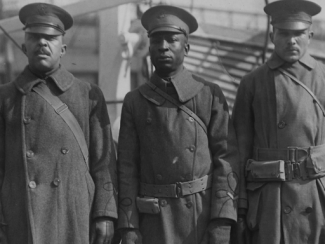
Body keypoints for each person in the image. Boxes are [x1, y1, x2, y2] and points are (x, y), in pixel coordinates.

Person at [117, 5, 239, 244]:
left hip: (200, 219)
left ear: (187, 47)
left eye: (172, 40)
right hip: (154, 222)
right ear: (149, 47)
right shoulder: (135, 101)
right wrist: (129, 225)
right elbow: (126, 169)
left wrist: (221, 221)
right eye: (156, 40)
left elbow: (227, 159)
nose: (163, 47)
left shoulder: (208, 94)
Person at [0, 3, 117, 244]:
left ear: (62, 48)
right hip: (19, 215)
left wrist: (105, 213)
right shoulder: (5, 97)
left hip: (73, 214)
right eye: (35, 37)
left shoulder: (87, 94)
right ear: (24, 46)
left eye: (50, 38)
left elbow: (103, 162)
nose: (42, 43)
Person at [232, 0, 325, 243]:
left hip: (315, 198)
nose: (291, 40)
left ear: (310, 35)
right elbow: (239, 151)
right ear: (273, 35)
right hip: (269, 201)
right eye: (284, 33)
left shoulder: (323, 78)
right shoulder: (252, 83)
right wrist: (240, 208)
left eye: (298, 33)